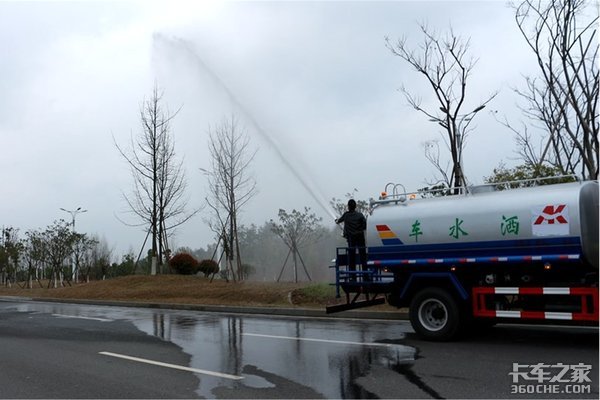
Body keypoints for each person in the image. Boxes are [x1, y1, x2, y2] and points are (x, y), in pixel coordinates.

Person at [335, 199, 368, 282]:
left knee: (351, 258)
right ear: (355, 206)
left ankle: (353, 277)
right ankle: (366, 276)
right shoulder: (360, 215)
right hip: (360, 238)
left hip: (351, 240)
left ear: (348, 207)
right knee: (363, 257)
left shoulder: (346, 215)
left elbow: (338, 221)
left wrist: (336, 220)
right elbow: (365, 226)